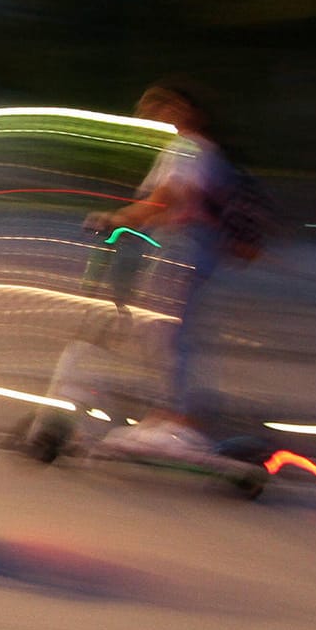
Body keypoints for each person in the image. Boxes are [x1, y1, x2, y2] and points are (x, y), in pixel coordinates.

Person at [85, 76, 234, 459]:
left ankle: (179, 423)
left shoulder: (190, 148)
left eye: (162, 105)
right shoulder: (189, 148)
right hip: (182, 246)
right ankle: (167, 415)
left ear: (186, 109)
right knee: (161, 332)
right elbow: (161, 199)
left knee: (167, 333)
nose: (155, 113)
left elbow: (169, 197)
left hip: (185, 246)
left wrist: (119, 217)